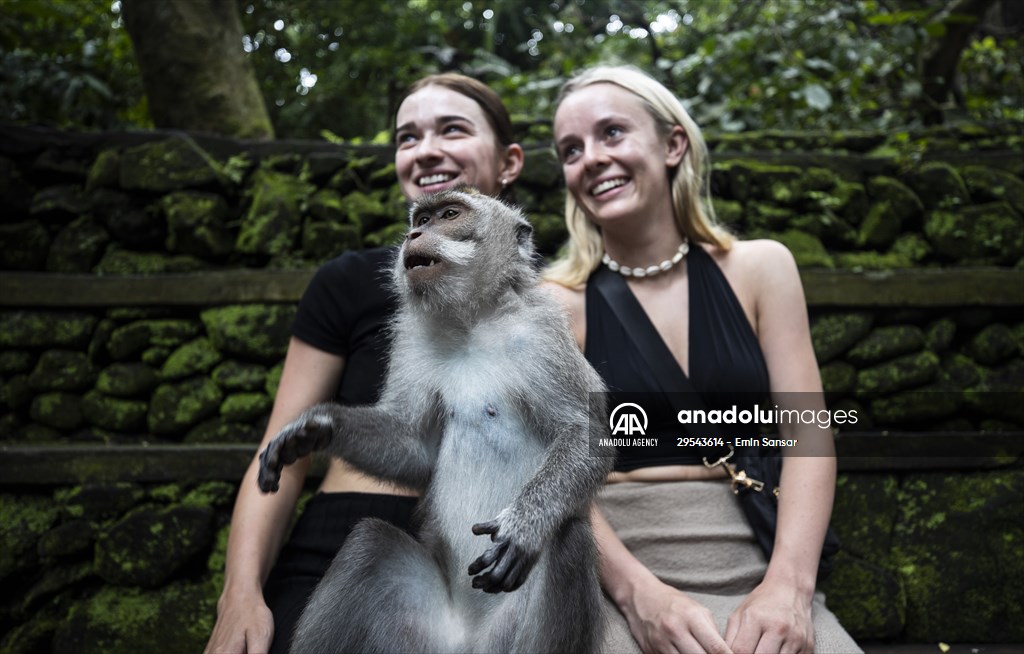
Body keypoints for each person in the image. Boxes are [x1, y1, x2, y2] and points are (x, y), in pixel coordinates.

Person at [543, 65, 861, 654]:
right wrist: (639, 596)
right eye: (571, 149)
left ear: (673, 144)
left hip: (758, 557)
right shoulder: (556, 304)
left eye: (612, 133)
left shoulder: (762, 269)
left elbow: (809, 437)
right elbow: (550, 473)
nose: (590, 158)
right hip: (610, 571)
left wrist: (789, 589)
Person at [204, 73, 524, 654]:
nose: (426, 149)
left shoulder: (552, 301)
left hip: (483, 557)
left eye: (452, 129)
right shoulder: (351, 281)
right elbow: (282, 450)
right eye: (408, 137)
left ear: (509, 161)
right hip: (343, 534)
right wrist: (241, 595)